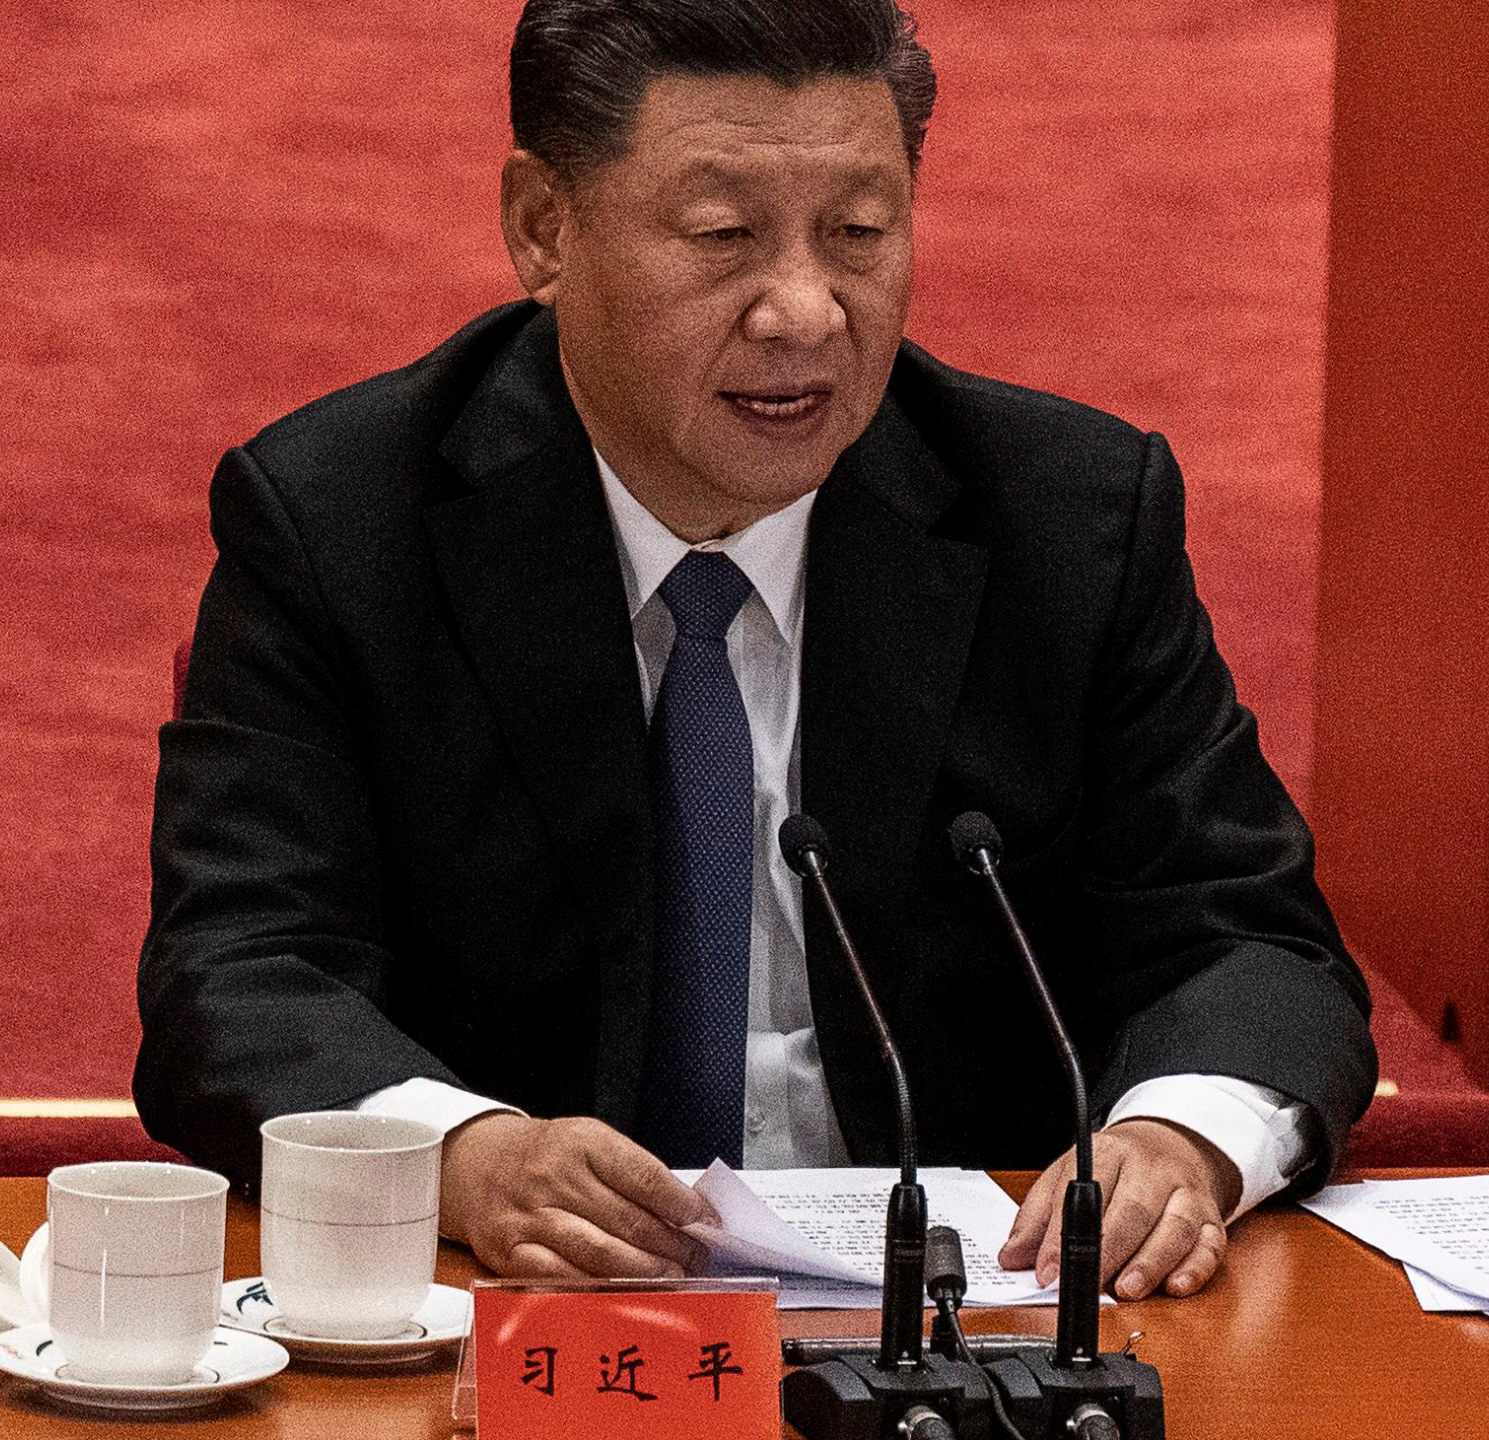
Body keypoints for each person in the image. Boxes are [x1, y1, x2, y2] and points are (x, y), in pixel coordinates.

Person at [136, 0, 1376, 1304]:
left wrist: (1179, 1140)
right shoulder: (342, 522)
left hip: (963, 1328)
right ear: (544, 229)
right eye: (723, 238)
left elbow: (1253, 946)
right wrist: (468, 1159)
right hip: (537, 1331)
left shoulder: (1065, 517)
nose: (804, 312)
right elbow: (240, 972)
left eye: (860, 234)